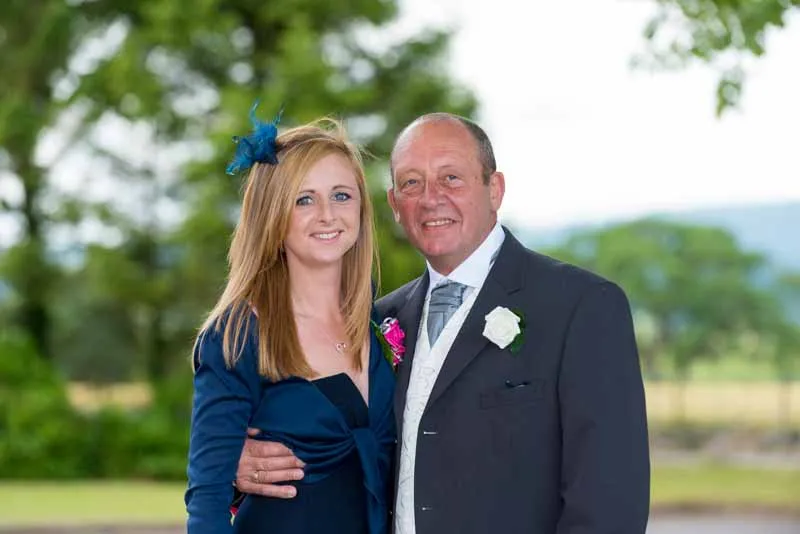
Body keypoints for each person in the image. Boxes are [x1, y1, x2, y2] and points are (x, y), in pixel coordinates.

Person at [234, 112, 651, 533]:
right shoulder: (376, 323)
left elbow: (610, 504)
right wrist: (235, 462)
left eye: (451, 178)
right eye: (412, 183)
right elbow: (334, 449)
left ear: (495, 189)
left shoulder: (582, 307)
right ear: (395, 205)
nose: (431, 198)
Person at [184, 107, 396, 534]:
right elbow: (206, 505)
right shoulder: (238, 335)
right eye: (304, 199)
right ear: (272, 217)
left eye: (341, 195)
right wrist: (229, 468)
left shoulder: (381, 322)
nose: (327, 215)